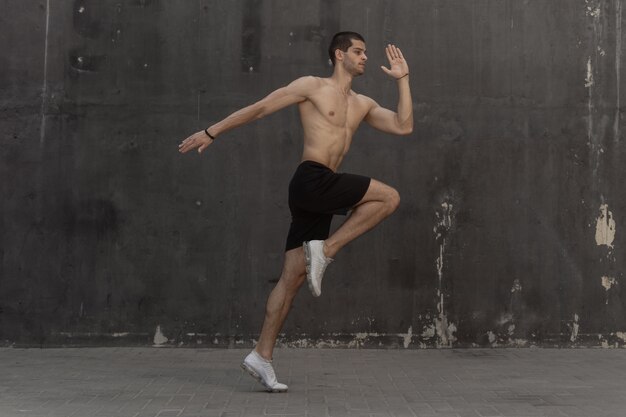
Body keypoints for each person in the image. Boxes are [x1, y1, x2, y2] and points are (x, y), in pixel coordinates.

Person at [179, 31, 413, 392]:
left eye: (365, 52)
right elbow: (260, 107)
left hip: (324, 188)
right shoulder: (312, 86)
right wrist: (213, 131)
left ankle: (261, 355)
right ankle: (326, 251)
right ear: (339, 55)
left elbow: (403, 125)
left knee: (292, 279)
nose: (365, 57)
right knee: (389, 198)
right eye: (358, 51)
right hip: (310, 180)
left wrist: (404, 81)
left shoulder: (362, 103)